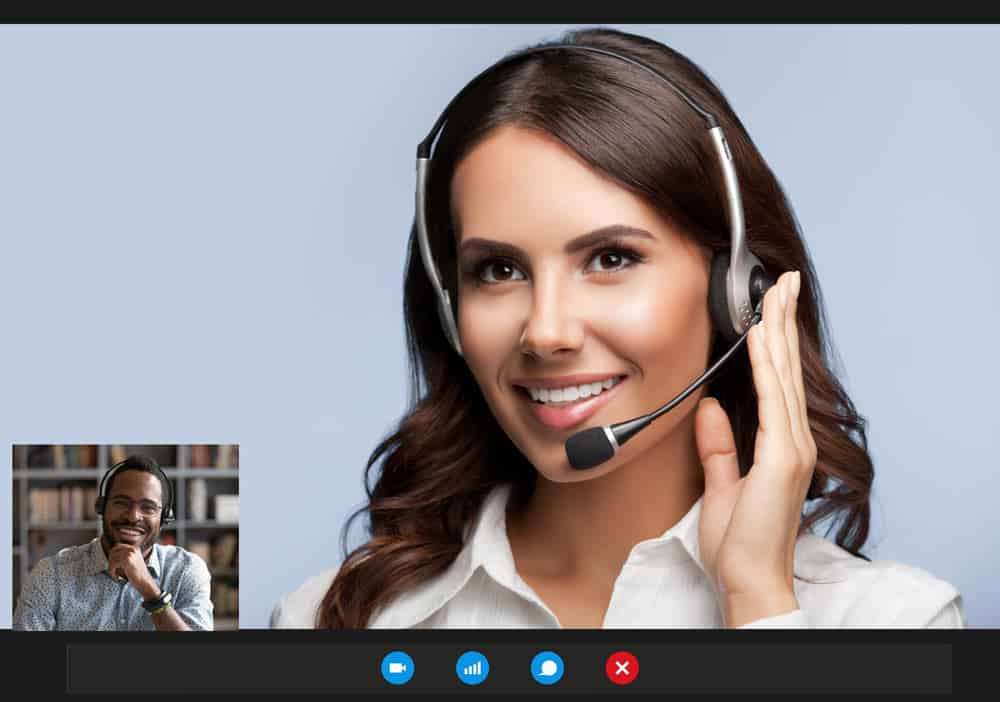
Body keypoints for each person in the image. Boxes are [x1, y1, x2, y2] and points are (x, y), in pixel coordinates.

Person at [271, 27, 964, 629]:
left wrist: (757, 602)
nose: (545, 332)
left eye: (611, 258)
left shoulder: (890, 621)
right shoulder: (331, 622)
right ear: (450, 308)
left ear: (738, 291)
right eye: (498, 271)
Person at [14, 454, 213, 630]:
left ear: (164, 518)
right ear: (101, 508)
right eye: (121, 503)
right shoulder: (51, 574)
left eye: (148, 507)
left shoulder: (187, 570)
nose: (133, 516)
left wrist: (149, 590)